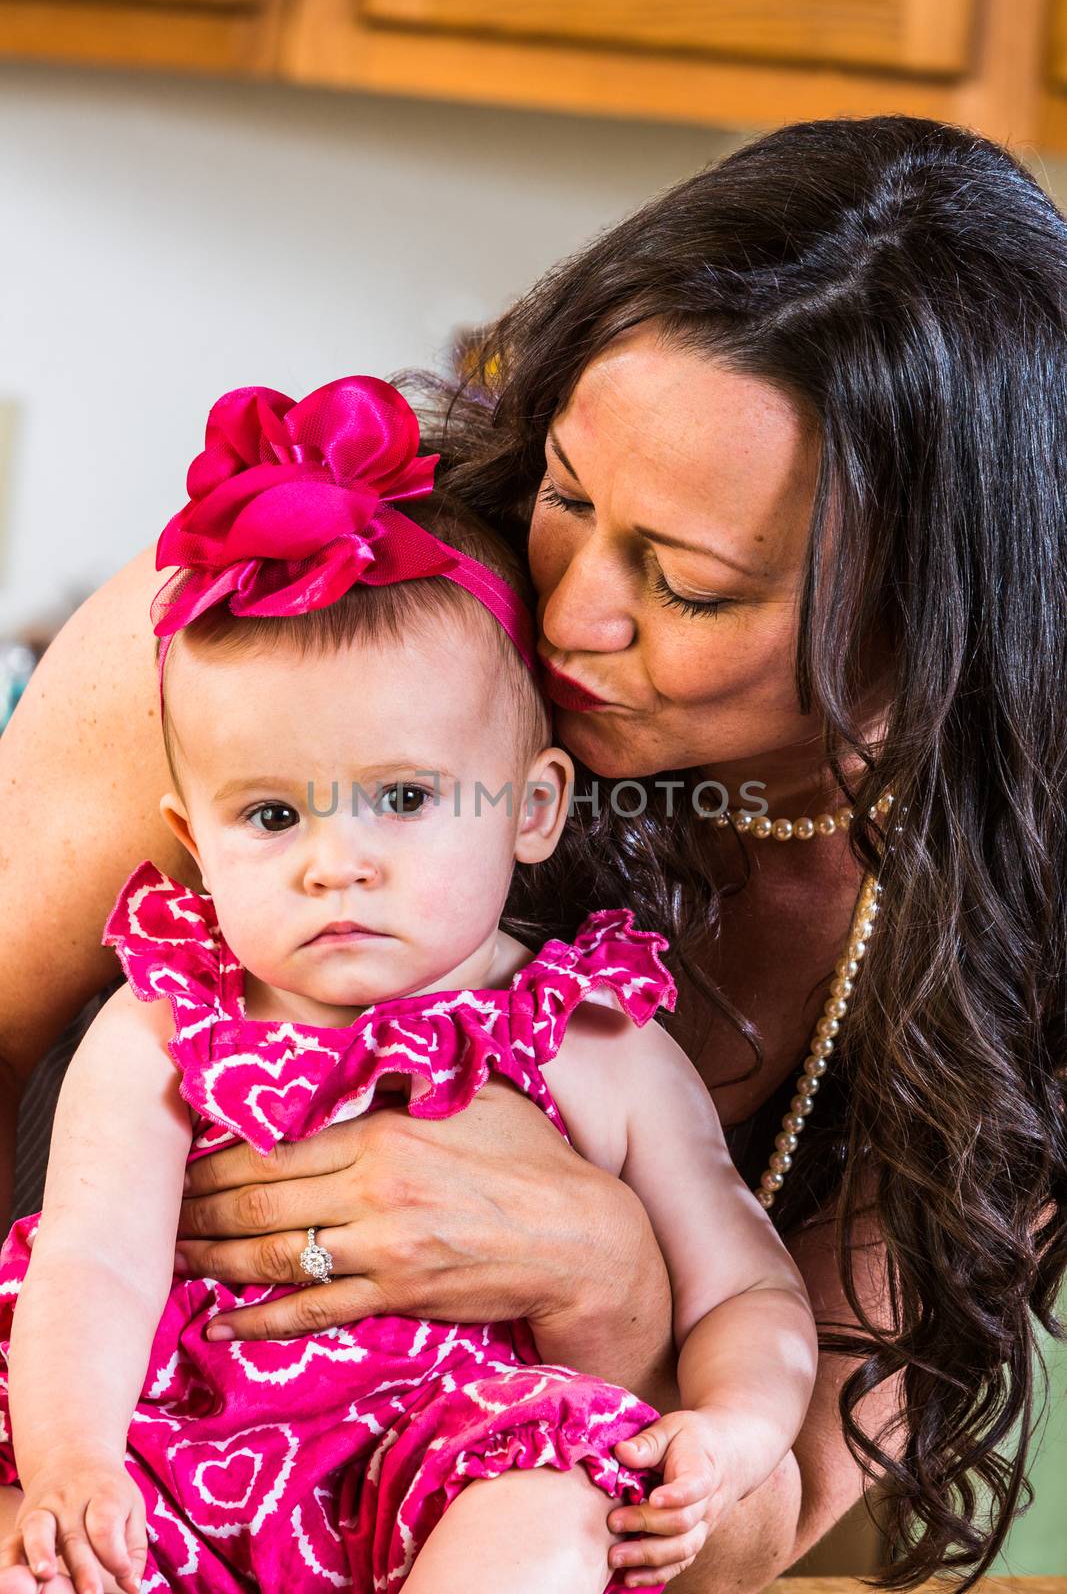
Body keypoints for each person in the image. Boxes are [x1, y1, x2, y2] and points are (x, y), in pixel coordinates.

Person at [1, 114, 1064, 1591]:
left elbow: (748, 1526)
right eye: (569, 494)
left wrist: (612, 1288)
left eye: (686, 586)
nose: (569, 618)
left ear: (939, 616)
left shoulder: (1013, 914)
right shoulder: (311, 643)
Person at [0, 377, 817, 1594]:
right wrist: (73, 1463)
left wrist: (736, 1426)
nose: (340, 860)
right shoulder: (168, 1023)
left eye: (404, 797)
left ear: (531, 809)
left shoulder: (593, 1037)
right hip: (183, 1456)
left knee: (549, 1526)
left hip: (460, 1469)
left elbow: (742, 1282)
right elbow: (91, 1265)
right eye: (273, 814)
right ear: (193, 835)